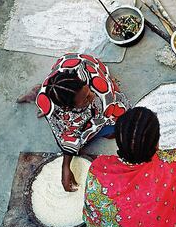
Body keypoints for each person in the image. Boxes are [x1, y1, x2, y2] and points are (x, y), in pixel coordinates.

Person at [36, 53, 130, 192]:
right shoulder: (50, 103)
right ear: (68, 108)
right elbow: (68, 134)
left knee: (115, 127)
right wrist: (66, 166)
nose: (92, 96)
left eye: (88, 91)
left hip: (82, 62)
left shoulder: (101, 91)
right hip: (64, 98)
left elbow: (116, 111)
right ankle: (34, 91)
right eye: (85, 99)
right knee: (72, 134)